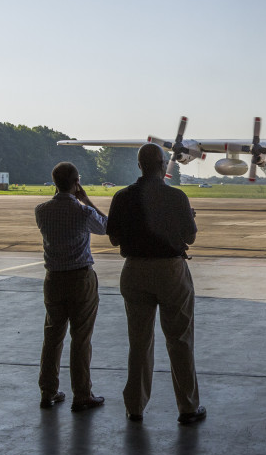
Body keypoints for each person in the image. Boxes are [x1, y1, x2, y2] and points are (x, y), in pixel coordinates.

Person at [107, 143, 205, 424]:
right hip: (170, 271)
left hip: (135, 270)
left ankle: (135, 407)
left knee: (138, 342)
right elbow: (190, 237)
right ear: (163, 166)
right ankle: (187, 408)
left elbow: (113, 238)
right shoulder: (177, 197)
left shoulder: (122, 197)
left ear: (139, 166)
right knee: (180, 341)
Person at [35, 162, 108, 412]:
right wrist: (86, 200)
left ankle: (48, 391)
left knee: (52, 336)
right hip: (80, 278)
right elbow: (106, 226)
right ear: (77, 181)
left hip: (53, 278)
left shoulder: (41, 211)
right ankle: (82, 394)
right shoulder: (83, 212)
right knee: (81, 339)